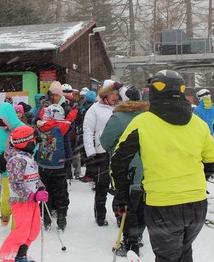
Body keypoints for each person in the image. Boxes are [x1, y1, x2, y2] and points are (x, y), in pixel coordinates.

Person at [110, 70, 214, 261]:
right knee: (184, 252)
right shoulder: (198, 123)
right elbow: (211, 160)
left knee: (168, 257)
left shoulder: (142, 122)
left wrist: (121, 191)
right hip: (196, 205)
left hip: (163, 205)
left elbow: (119, 159)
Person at [100, 86, 149, 256]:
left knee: (126, 205)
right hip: (148, 167)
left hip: (125, 167)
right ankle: (138, 235)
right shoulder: (149, 117)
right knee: (142, 203)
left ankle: (130, 244)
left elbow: (105, 141)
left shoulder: (118, 118)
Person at [0, 126, 48, 262]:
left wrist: (41, 188)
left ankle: (20, 255)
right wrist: (33, 195)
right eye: (34, 141)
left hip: (32, 201)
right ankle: (6, 259)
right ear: (25, 142)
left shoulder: (27, 157)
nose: (36, 143)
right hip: (21, 201)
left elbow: (34, 177)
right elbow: (15, 183)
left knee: (33, 230)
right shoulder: (16, 160)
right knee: (21, 232)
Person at [83, 80, 122, 226]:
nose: (115, 97)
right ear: (105, 94)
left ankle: (119, 214)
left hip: (117, 152)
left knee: (119, 185)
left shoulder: (120, 108)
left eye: (117, 94)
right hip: (101, 152)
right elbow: (88, 131)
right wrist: (91, 153)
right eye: (112, 93)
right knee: (102, 186)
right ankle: (100, 215)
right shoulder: (94, 109)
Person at [36, 103, 77, 231]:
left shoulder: (40, 127)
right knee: (61, 191)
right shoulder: (62, 127)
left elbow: (37, 117)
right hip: (58, 165)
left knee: (45, 190)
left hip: (43, 164)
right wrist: (73, 110)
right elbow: (71, 123)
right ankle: (61, 216)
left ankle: (46, 216)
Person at [0, 102, 25, 227]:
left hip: (20, 172)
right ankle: (5, 213)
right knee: (6, 195)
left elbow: (32, 149)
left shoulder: (22, 128)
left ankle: (17, 226)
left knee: (17, 198)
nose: (0, 125)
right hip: (5, 170)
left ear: (8, 118)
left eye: (2, 122)